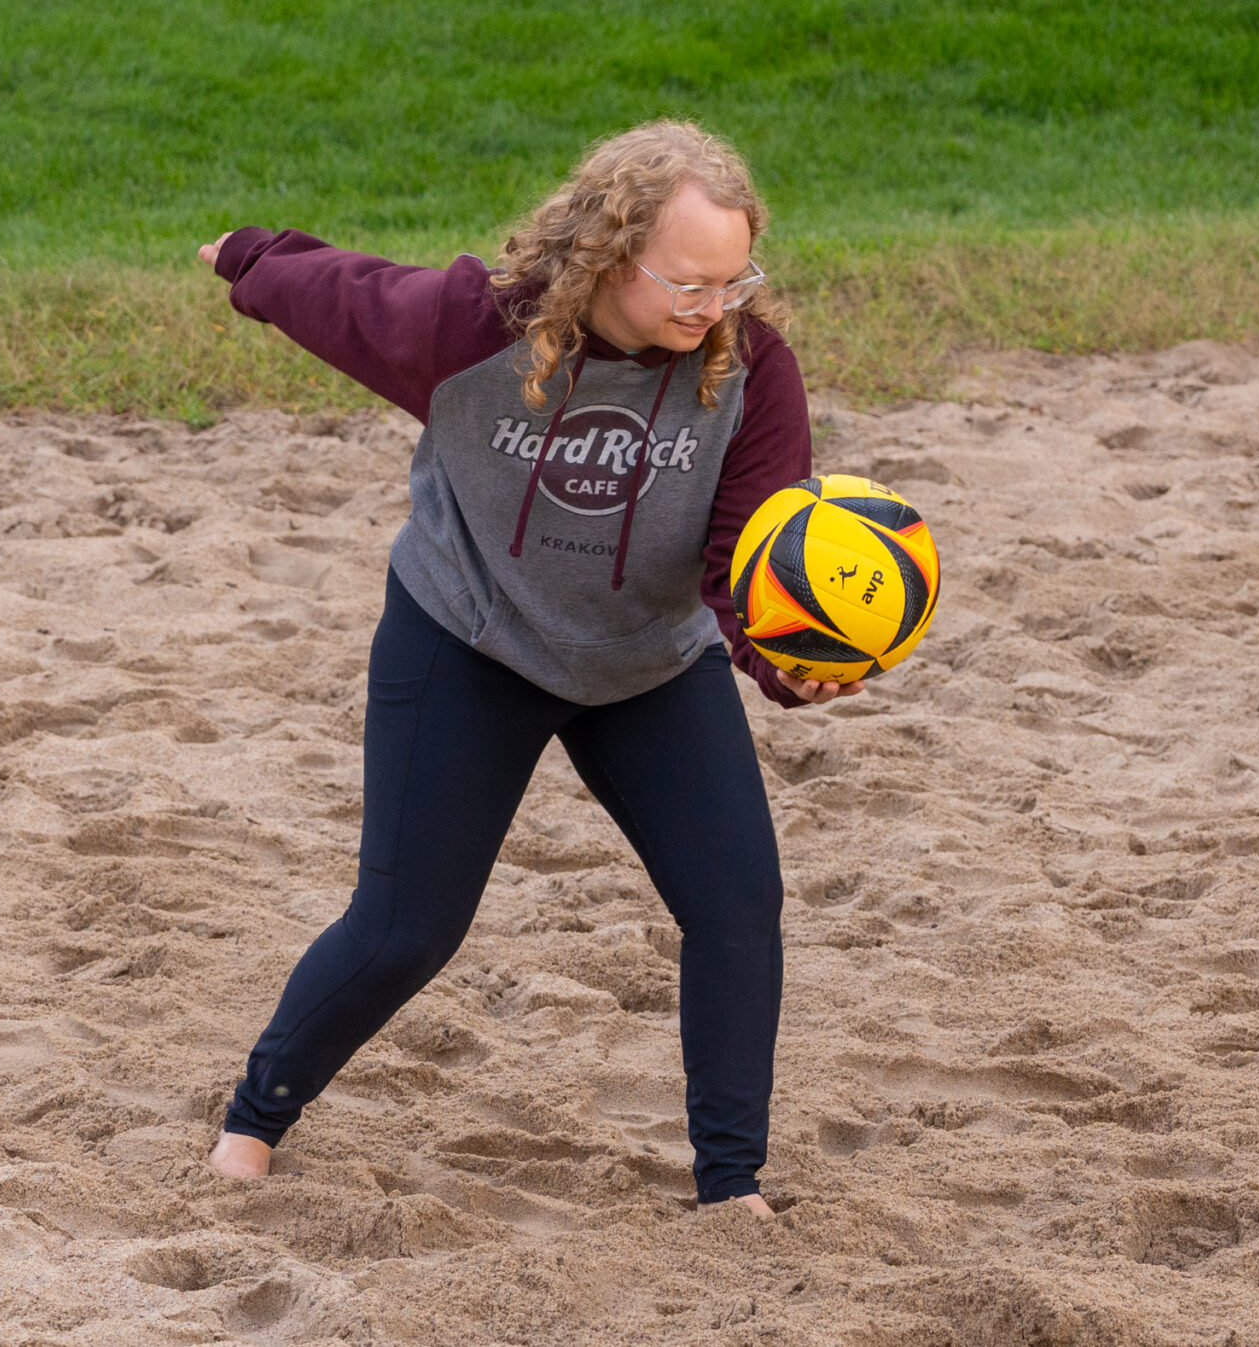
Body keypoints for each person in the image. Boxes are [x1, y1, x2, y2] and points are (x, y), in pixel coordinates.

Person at [196, 121, 861, 1217]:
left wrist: (783, 666)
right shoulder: (478, 329)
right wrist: (253, 260)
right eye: (687, 282)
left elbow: (749, 557)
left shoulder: (751, 371)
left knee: (739, 905)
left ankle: (730, 1184)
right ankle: (254, 1120)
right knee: (407, 928)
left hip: (647, 663)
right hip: (469, 636)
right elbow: (349, 299)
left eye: (732, 280)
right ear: (609, 253)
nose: (713, 306)